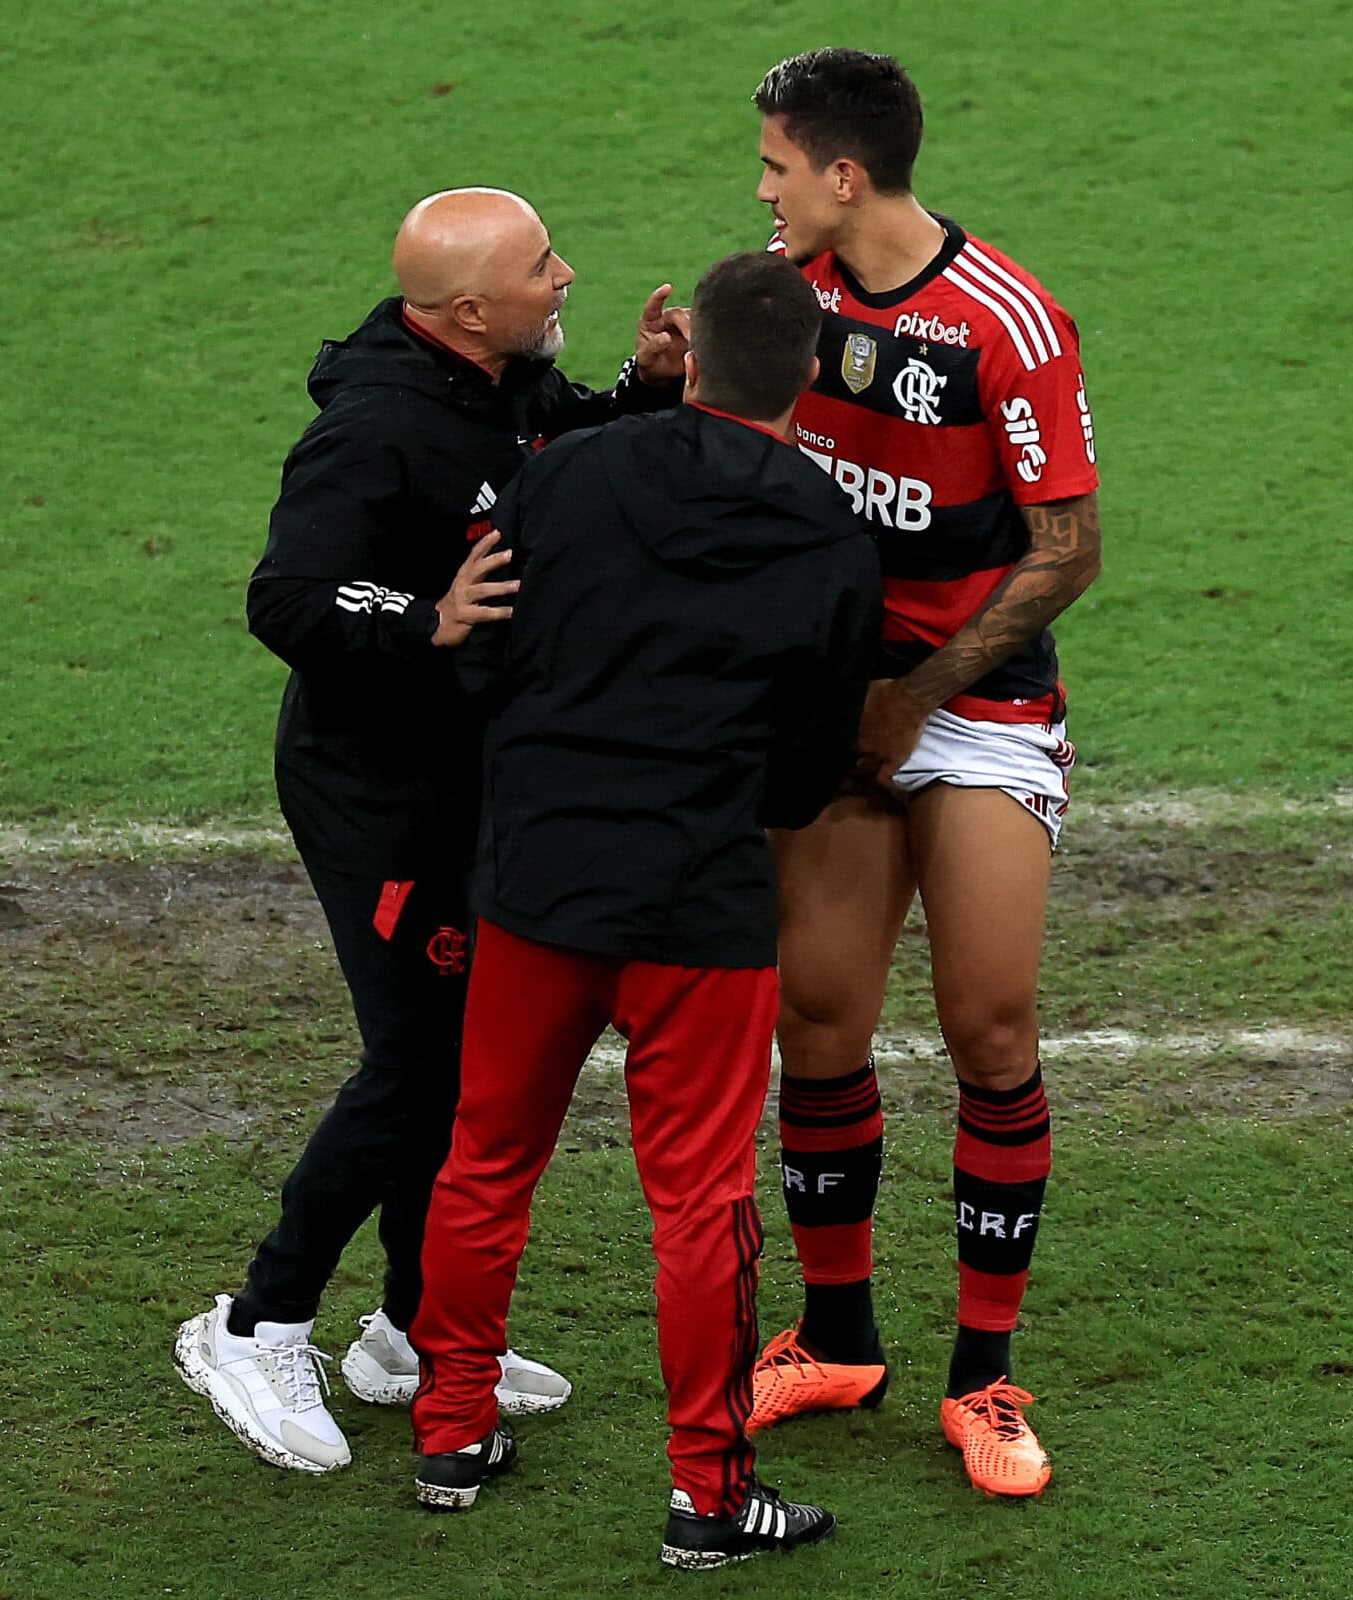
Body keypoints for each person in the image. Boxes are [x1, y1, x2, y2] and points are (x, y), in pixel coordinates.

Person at [172, 187, 694, 1474]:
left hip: (466, 779)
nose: (565, 274)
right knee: (416, 1065)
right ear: (467, 309)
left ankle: (410, 1325)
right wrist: (425, 616)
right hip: (378, 794)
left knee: (461, 1064)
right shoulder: (375, 429)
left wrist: (646, 386)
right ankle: (257, 1320)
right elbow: (286, 593)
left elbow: (557, 443)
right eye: (540, 265)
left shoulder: (491, 378)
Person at [405, 251, 882, 1571]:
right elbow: (808, 767)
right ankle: (708, 1499)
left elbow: (483, 649)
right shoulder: (831, 535)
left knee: (487, 1155)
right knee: (702, 1200)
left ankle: (449, 1433)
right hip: (699, 899)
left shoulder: (566, 471)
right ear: (807, 379)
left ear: (697, 352)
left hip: (540, 881)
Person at [742, 49, 1104, 1500]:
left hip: (971, 703)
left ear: (844, 173)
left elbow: (1067, 547)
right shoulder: (782, 299)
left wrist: (917, 698)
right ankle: (837, 1336)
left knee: (991, 1026)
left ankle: (983, 1377)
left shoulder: (1002, 322)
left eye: (775, 164)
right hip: (836, 698)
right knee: (817, 1016)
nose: (760, 189)